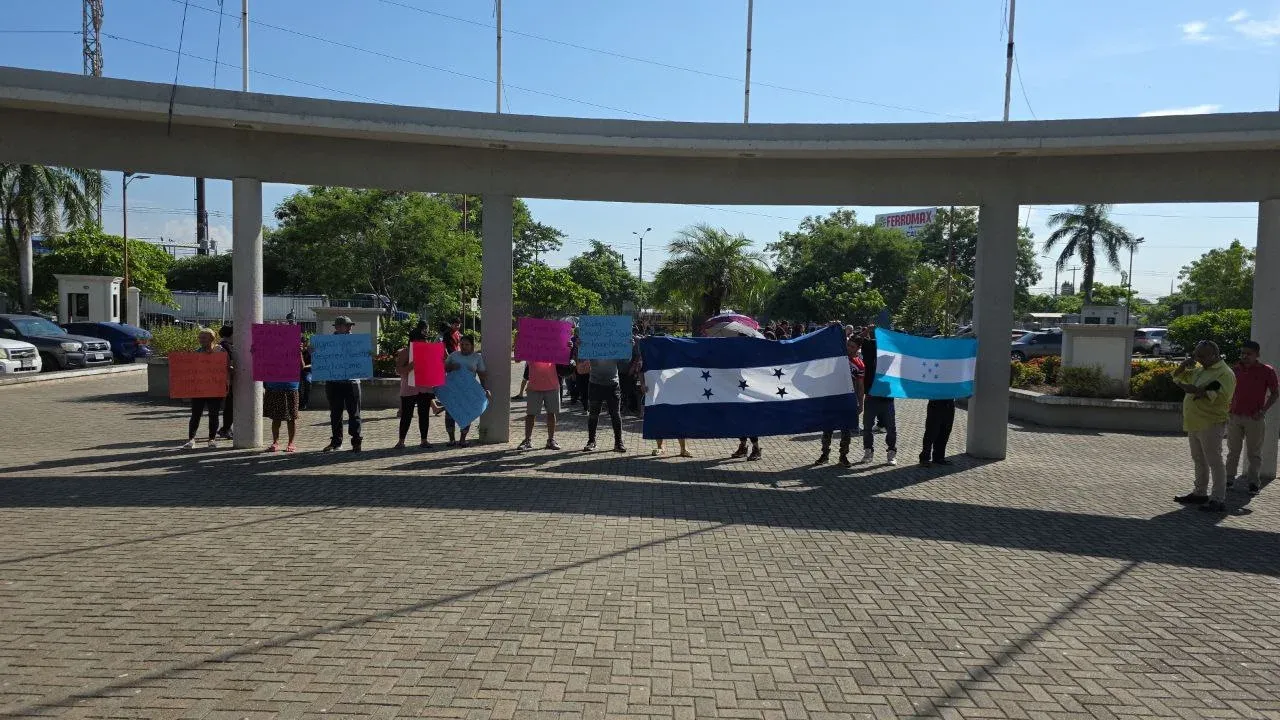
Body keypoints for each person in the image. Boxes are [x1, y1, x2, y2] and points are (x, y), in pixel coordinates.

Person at [1173, 340, 1237, 513]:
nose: (1198, 359)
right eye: (1196, 355)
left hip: (1211, 422)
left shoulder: (1224, 373)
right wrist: (1183, 366)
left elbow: (1218, 395)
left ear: (1214, 355)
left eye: (1201, 355)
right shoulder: (1201, 369)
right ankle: (1200, 492)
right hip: (1195, 422)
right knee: (1199, 459)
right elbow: (1177, 377)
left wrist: (1196, 390)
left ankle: (1218, 498)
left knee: (1214, 461)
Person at [1226, 340, 1278, 495]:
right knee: (1232, 451)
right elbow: (1226, 391)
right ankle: (1229, 480)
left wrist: (1263, 411)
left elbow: (1275, 393)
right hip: (1235, 416)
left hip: (1255, 418)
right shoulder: (1235, 370)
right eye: (1242, 353)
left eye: (1249, 354)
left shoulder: (1266, 371)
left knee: (1254, 453)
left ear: (1257, 355)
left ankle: (1253, 483)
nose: (1245, 356)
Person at [817, 335, 865, 467]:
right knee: (827, 429)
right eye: (848, 345)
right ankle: (824, 454)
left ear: (858, 348)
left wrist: (861, 404)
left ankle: (843, 456)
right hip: (831, 399)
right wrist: (833, 328)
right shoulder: (836, 358)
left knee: (846, 431)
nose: (849, 348)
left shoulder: (859, 365)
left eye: (852, 346)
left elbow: (860, 386)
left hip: (847, 401)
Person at [322, 316, 364, 453]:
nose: (350, 328)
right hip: (334, 382)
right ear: (338, 327)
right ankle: (336, 442)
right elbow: (321, 357)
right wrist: (313, 352)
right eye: (347, 325)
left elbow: (363, 358)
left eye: (350, 325)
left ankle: (356, 442)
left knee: (354, 413)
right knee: (335, 413)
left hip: (352, 382)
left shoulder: (357, 342)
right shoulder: (328, 342)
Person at [182, 328, 227, 449]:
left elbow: (226, 367)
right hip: (199, 388)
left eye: (204, 338)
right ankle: (191, 439)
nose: (201, 340)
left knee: (214, 415)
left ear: (212, 339)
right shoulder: (197, 352)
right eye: (200, 338)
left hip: (215, 388)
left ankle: (211, 439)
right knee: (195, 414)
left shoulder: (220, 351)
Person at [860, 325, 897, 464]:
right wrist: (867, 331)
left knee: (891, 428)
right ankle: (868, 452)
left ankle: (891, 453)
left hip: (887, 397)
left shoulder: (891, 352)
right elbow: (857, 340)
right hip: (871, 396)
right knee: (867, 427)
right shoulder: (870, 348)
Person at [394, 326, 436, 449]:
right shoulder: (405, 352)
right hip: (409, 388)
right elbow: (398, 370)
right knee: (407, 414)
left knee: (424, 414)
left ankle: (424, 440)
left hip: (425, 387)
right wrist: (410, 366)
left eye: (425, 340)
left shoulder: (429, 351)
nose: (424, 342)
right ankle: (401, 441)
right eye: (421, 339)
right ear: (413, 340)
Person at [444, 335, 489, 447]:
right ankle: (451, 439)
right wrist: (451, 367)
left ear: (472, 346)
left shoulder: (477, 357)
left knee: (466, 413)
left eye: (467, 345)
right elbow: (444, 368)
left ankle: (462, 439)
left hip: (468, 390)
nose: (464, 347)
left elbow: (482, 375)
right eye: (462, 344)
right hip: (453, 389)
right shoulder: (454, 355)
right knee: (450, 413)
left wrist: (484, 389)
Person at [516, 360, 562, 451]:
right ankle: (527, 440)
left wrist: (567, 347)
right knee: (530, 414)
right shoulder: (531, 348)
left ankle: (551, 440)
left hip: (552, 386)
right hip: (534, 387)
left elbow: (564, 356)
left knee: (551, 413)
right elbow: (517, 359)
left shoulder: (554, 347)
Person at [583, 356, 626, 452]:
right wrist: (580, 346)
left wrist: (629, 348)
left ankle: (618, 442)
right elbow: (583, 359)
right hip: (595, 383)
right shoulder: (591, 342)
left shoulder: (616, 342)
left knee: (615, 414)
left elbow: (625, 361)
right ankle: (591, 441)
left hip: (612, 384)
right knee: (593, 414)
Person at [263, 356, 302, 452]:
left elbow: (301, 366)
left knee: (291, 418)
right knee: (276, 418)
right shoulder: (270, 349)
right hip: (274, 386)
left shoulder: (293, 350)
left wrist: (299, 353)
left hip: (290, 387)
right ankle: (275, 442)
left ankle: (291, 443)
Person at [920, 399, 956, 467]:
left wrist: (967, 391)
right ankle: (924, 458)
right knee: (931, 432)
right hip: (936, 403)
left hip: (950, 404)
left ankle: (939, 457)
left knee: (945, 431)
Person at [215, 325, 235, 440]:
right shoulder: (226, 347)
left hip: (226, 380)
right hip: (228, 381)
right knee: (229, 406)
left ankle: (226, 428)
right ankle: (225, 429)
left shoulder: (222, 346)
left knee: (229, 406)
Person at [298, 337, 312, 411]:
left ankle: (305, 403)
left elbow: (312, 364)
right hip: (298, 371)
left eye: (304, 342)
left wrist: (304, 366)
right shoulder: (297, 351)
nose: (303, 344)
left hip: (307, 371)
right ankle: (300, 403)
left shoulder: (309, 352)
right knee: (298, 386)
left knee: (307, 382)